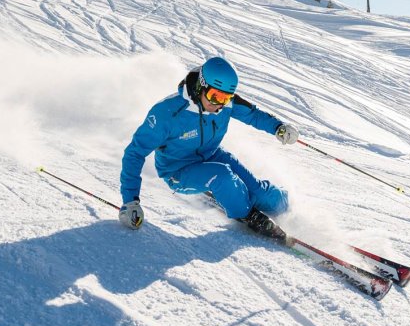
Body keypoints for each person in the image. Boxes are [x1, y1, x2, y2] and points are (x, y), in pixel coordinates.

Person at [119, 56, 299, 235]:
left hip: (212, 154)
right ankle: (246, 214)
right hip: (178, 170)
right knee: (221, 176)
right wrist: (130, 201)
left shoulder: (226, 104)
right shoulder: (167, 114)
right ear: (200, 86)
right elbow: (135, 153)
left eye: (225, 98)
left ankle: (286, 205)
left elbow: (253, 115)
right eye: (215, 96)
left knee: (263, 194)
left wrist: (278, 127)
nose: (219, 105)